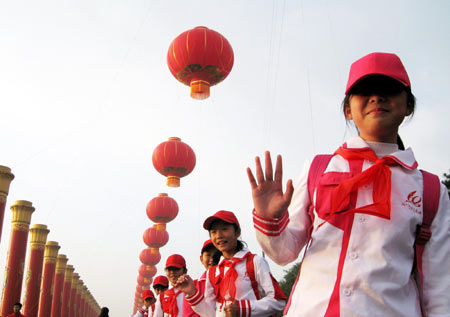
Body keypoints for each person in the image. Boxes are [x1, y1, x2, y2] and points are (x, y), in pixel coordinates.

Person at [247, 52, 450, 316]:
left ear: (409, 105)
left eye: (389, 89)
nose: (376, 98)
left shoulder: (431, 190)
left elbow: (439, 286)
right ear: (348, 110)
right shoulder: (318, 168)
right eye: (364, 91)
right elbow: (284, 253)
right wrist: (270, 220)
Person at [176, 210, 286, 316]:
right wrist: (191, 292)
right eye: (213, 232)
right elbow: (211, 314)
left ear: (237, 232)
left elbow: (278, 301)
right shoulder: (213, 272)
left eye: (224, 229)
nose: (218, 235)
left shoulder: (255, 262)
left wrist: (242, 308)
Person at [181, 239, 221, 317]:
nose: (212, 259)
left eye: (216, 255)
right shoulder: (192, 286)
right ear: (201, 259)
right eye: (208, 255)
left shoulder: (232, 279)